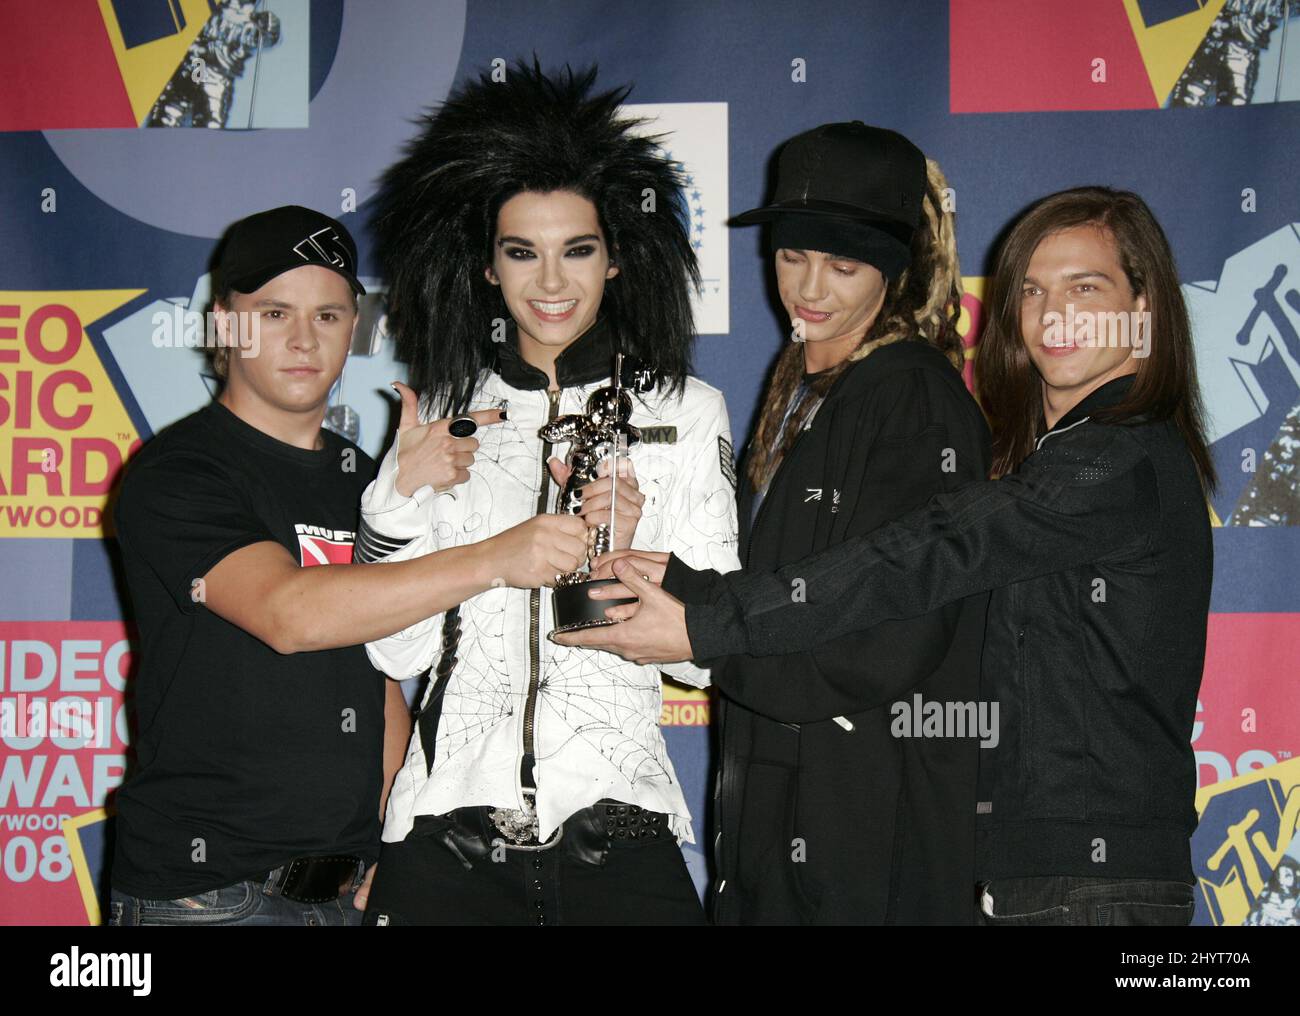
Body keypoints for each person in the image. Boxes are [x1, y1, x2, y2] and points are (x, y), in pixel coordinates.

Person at [563, 186, 1218, 927]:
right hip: (1040, 878)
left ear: (1144, 310)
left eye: (1085, 287)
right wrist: (683, 584)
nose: (1052, 311)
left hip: (1088, 889)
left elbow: (930, 551)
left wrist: (708, 617)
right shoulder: (1065, 461)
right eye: (1032, 289)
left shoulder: (1115, 460)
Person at [108, 205, 588, 926]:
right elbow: (289, 614)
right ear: (223, 324)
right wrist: (493, 558)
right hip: (205, 896)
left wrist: (401, 840)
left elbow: (381, 681)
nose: (304, 339)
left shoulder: (363, 479)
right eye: (274, 312)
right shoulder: (178, 472)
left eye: (329, 316)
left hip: (347, 894)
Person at [353, 58, 741, 926]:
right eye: (521, 253)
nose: (552, 282)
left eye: (578, 250)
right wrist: (396, 501)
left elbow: (705, 657)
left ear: (616, 259)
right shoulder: (448, 414)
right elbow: (398, 655)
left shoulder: (685, 409)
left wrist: (640, 562)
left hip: (621, 826)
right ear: (488, 268)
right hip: (447, 830)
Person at [592, 121, 992, 925]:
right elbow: (790, 598)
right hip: (785, 842)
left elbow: (886, 638)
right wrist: (665, 581)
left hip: (869, 854)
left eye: (843, 265)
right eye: (791, 255)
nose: (809, 286)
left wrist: (700, 631)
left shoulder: (909, 397)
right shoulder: (805, 389)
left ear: (896, 271)